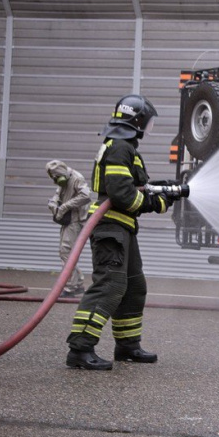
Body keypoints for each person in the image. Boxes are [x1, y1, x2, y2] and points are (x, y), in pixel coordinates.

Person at [66, 94, 173, 370]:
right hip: (109, 229)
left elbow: (136, 188)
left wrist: (163, 193)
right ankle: (80, 349)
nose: (149, 129)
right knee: (110, 286)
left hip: (123, 228)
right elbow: (122, 194)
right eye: (147, 123)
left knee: (134, 286)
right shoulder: (120, 147)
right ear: (135, 120)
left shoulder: (126, 147)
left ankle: (127, 346)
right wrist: (153, 202)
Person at [46, 160, 91, 298]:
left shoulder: (77, 178)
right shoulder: (63, 180)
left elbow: (86, 196)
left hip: (76, 220)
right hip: (69, 220)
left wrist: (65, 206)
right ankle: (76, 285)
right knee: (66, 252)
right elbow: (58, 192)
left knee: (66, 252)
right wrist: (54, 203)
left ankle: (72, 286)